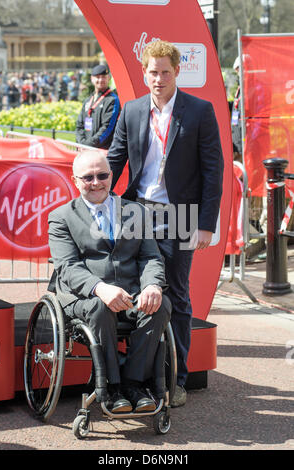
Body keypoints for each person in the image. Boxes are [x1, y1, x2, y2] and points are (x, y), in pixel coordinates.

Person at [108, 40, 224, 407]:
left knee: (175, 294)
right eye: (152, 72)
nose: (158, 79)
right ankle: (132, 378)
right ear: (144, 74)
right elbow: (114, 160)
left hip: (180, 214)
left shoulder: (200, 111)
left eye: (165, 72)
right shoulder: (132, 110)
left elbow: (213, 171)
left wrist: (205, 224)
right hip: (136, 211)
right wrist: (91, 203)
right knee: (126, 290)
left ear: (177, 72)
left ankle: (177, 379)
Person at [48, 149, 171, 414]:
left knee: (160, 305)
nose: (96, 182)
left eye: (102, 175)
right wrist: (100, 288)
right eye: (88, 177)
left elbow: (151, 256)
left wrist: (152, 285)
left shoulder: (135, 211)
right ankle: (111, 388)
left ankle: (134, 383)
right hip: (84, 296)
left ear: (111, 176)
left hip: (130, 292)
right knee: (100, 308)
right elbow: (67, 267)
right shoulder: (61, 217)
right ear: (74, 180)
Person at [76, 64, 121, 149]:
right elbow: (79, 125)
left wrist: (88, 145)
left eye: (104, 77)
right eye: (97, 77)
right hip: (86, 149)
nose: (101, 80)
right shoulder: (88, 100)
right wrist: (81, 142)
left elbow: (107, 128)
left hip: (102, 151)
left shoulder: (112, 99)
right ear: (92, 79)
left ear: (109, 78)